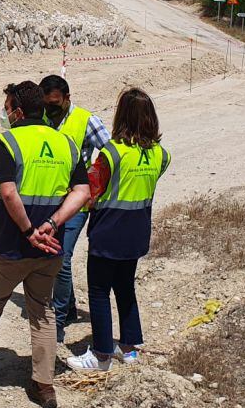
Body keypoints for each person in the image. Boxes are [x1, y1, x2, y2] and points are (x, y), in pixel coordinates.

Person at [0, 81, 91, 408]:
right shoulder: (66, 144)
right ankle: (43, 384)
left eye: (7, 108)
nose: (5, 114)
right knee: (43, 312)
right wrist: (51, 225)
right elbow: (82, 192)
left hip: (9, 243)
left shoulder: (7, 141)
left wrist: (29, 229)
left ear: (17, 112)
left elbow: (7, 192)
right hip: (49, 247)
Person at [66, 87, 170, 372]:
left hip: (108, 231)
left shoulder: (112, 153)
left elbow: (92, 190)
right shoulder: (160, 155)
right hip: (137, 232)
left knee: (99, 290)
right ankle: (129, 348)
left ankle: (100, 355)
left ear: (121, 116)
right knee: (125, 288)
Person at [39, 74, 112, 343]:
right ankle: (68, 307)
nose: (50, 111)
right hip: (49, 201)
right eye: (46, 105)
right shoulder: (43, 119)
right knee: (54, 256)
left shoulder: (85, 120)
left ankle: (57, 319)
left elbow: (111, 154)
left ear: (67, 99)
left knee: (62, 257)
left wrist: (95, 189)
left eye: (55, 105)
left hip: (76, 201)